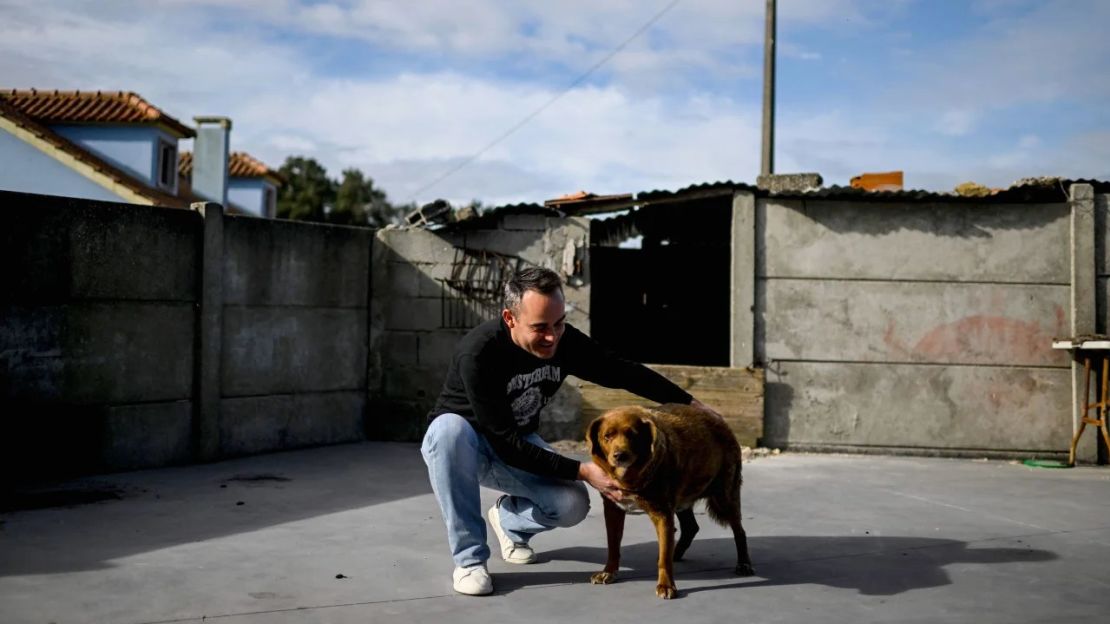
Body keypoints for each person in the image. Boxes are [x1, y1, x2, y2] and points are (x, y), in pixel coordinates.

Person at [421, 266, 721, 595]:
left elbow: (621, 371)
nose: (552, 337)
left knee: (572, 505)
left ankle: (508, 520)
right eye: (540, 328)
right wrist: (583, 470)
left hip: (518, 441)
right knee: (448, 429)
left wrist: (691, 404)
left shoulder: (563, 341)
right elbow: (502, 441)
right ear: (510, 319)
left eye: (559, 323)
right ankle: (469, 560)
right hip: (466, 447)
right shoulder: (479, 353)